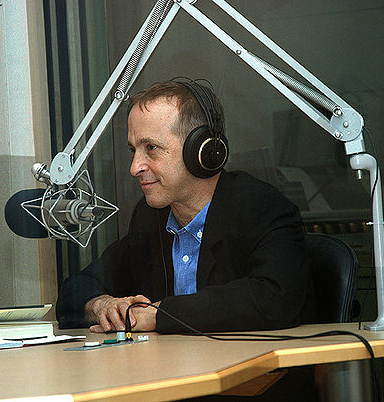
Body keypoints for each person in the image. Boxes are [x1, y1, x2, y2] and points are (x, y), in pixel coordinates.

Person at [55, 79, 310, 334]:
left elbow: (276, 299)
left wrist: (160, 315)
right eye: (134, 150)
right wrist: (102, 305)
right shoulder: (150, 217)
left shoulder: (262, 209)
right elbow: (75, 290)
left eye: (151, 148)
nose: (135, 168)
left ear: (202, 150)